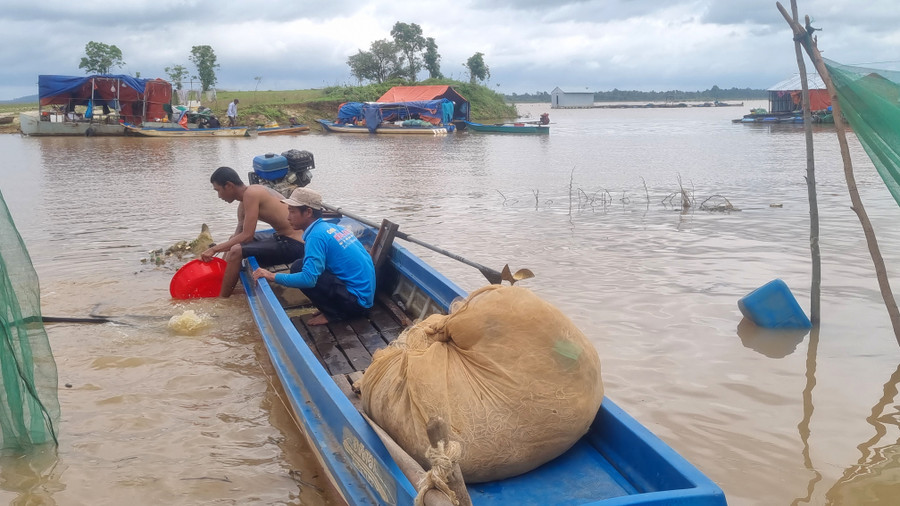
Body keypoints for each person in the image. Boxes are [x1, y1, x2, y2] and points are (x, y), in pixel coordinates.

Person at [252, 187, 375, 326]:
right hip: (365, 298)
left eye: (292, 212)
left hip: (357, 305)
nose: (288, 217)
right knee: (302, 264)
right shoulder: (333, 228)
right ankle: (332, 308)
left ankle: (334, 314)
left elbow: (308, 280)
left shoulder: (316, 236)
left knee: (299, 268)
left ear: (308, 212)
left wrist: (272, 276)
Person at [201, 166, 305, 297]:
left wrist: (214, 249)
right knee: (232, 239)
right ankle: (222, 281)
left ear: (228, 186)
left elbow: (247, 236)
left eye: (218, 190)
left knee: (236, 251)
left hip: (296, 243)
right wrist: (221, 268)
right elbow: (238, 234)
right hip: (281, 237)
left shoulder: (252, 194)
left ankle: (222, 299)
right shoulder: (245, 199)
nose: (219, 196)